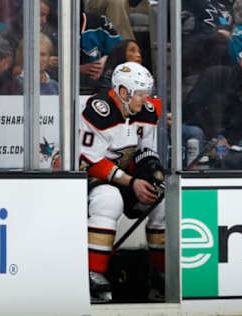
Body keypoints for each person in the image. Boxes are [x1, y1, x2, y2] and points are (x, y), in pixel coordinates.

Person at [80, 62, 165, 303]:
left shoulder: (146, 111)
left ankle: (160, 276)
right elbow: (90, 161)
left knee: (162, 202)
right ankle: (93, 274)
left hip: (124, 179)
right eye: (140, 93)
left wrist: (151, 173)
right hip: (86, 179)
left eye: (146, 93)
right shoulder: (98, 109)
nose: (145, 99)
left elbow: (145, 152)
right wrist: (132, 182)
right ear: (123, 92)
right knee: (109, 199)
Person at [183, 41, 242, 147]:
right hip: (195, 132)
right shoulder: (217, 75)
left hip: (224, 144)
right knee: (196, 132)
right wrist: (217, 139)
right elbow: (194, 110)